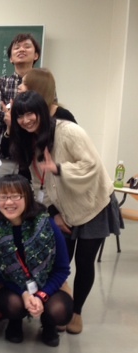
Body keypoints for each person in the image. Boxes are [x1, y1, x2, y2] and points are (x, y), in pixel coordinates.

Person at [9, 91, 121, 334]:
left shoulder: (68, 131)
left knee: (84, 261)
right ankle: (58, 308)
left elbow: (91, 165)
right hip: (62, 208)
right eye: (20, 116)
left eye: (30, 114)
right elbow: (38, 184)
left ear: (42, 111)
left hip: (93, 204)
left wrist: (58, 168)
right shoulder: (29, 141)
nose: (26, 120)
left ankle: (76, 312)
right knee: (58, 260)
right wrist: (52, 214)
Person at [0, 175, 73, 347]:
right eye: (3, 197)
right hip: (11, 283)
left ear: (28, 198)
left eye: (16, 196)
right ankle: (15, 322)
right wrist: (23, 293)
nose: (9, 202)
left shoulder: (46, 224)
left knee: (60, 310)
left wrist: (41, 295)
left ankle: (48, 324)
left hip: (48, 282)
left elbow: (62, 269)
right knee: (13, 305)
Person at [0, 33, 41, 176]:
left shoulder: (42, 83)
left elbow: (48, 112)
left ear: (36, 55)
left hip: (36, 152)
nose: (21, 49)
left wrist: (12, 115)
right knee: (1, 189)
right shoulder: (0, 82)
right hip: (3, 153)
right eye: (17, 48)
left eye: (27, 46)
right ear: (11, 58)